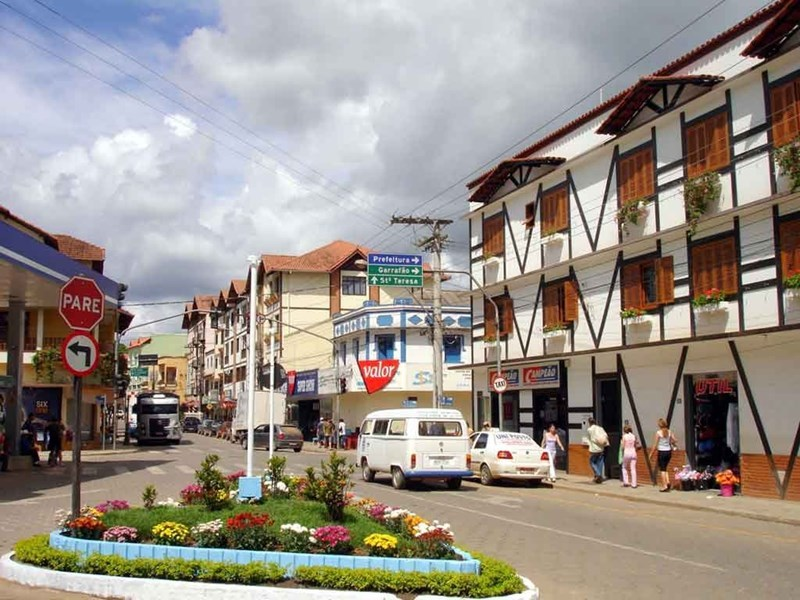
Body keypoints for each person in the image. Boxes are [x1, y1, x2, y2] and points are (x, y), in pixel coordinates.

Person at [649, 418, 677, 492]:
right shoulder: (669, 432)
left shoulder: (658, 433)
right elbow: (675, 440)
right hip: (668, 452)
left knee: (662, 470)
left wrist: (651, 454)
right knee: (665, 468)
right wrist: (671, 442)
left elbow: (655, 445)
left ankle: (664, 486)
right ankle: (667, 482)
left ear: (659, 425)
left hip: (662, 452)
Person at [586, 417, 609, 483]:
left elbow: (588, 439)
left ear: (589, 423)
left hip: (593, 449)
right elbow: (606, 436)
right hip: (601, 448)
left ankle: (598, 474)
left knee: (592, 462)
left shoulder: (589, 430)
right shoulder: (600, 428)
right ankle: (599, 477)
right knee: (600, 463)